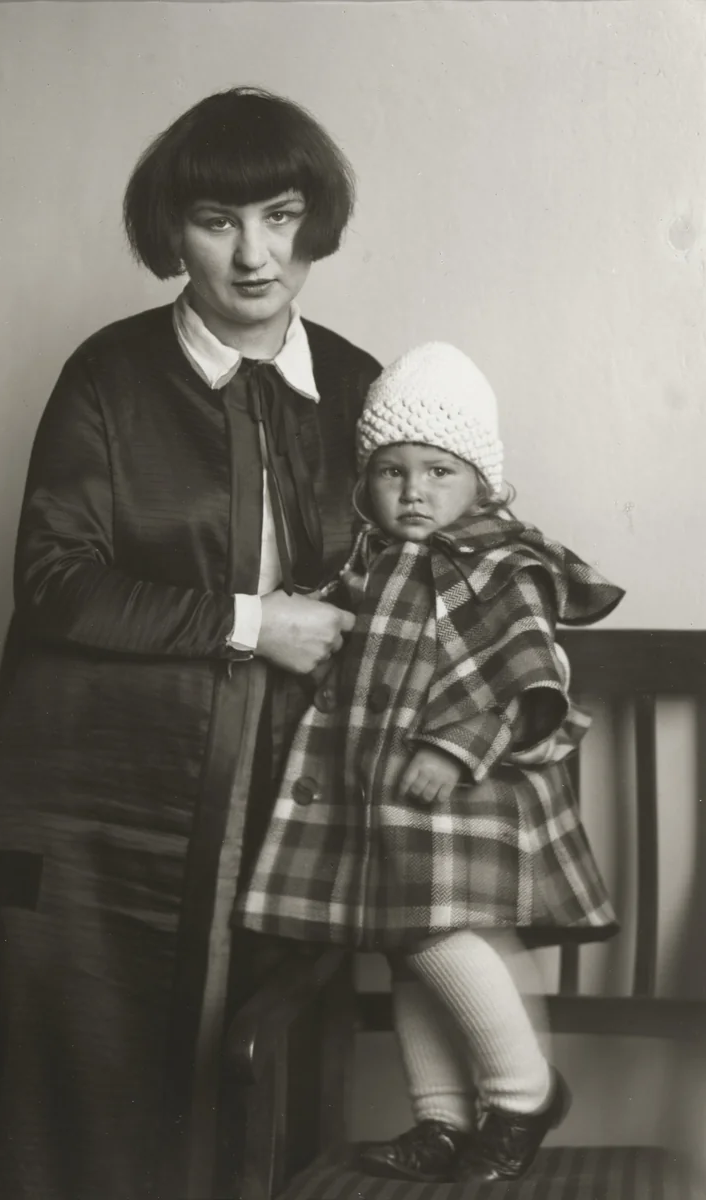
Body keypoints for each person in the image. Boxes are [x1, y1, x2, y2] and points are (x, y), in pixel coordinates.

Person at [0, 87, 380, 1200]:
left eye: (280, 217)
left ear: (314, 220)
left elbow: (411, 569)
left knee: (262, 1089)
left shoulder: (357, 385)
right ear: (173, 231)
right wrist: (253, 623)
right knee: (93, 1097)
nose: (254, 256)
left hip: (290, 788)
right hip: (106, 798)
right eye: (217, 221)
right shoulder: (107, 376)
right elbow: (54, 584)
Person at [235, 341, 624, 1183]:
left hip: (463, 794)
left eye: (439, 471)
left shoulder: (501, 565)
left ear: (481, 480)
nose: (413, 491)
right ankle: (441, 1120)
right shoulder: (374, 559)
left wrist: (456, 749)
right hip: (386, 801)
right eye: (392, 471)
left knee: (432, 936)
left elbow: (533, 683)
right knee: (403, 944)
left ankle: (523, 1095)